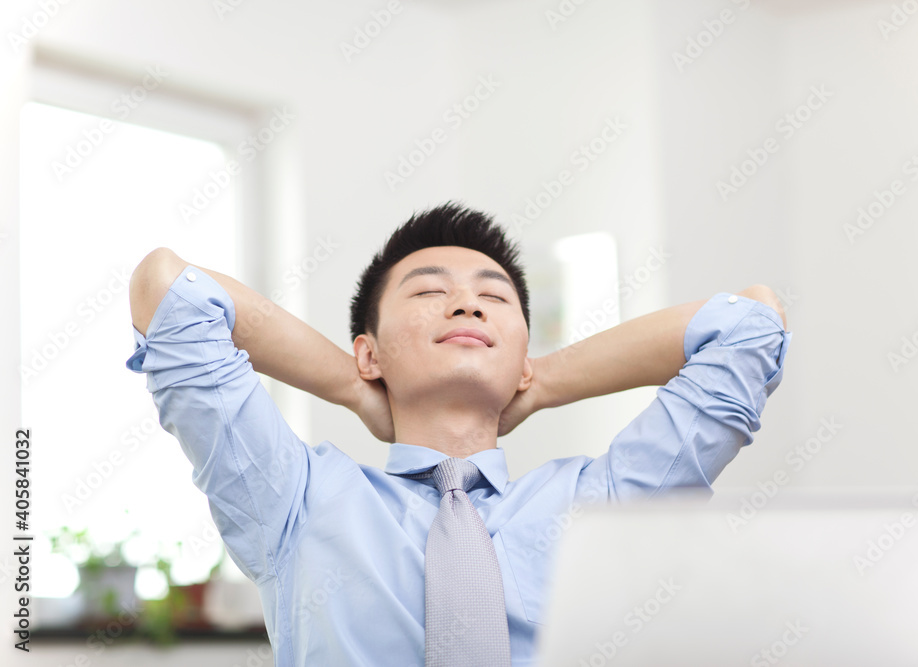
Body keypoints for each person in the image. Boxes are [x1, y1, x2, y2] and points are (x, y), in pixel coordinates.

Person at [126, 201, 791, 666]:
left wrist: (542, 380)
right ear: (370, 349)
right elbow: (168, 288)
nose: (467, 303)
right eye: (427, 292)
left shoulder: (602, 506)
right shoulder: (294, 502)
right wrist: (355, 387)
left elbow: (750, 325)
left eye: (494, 296)